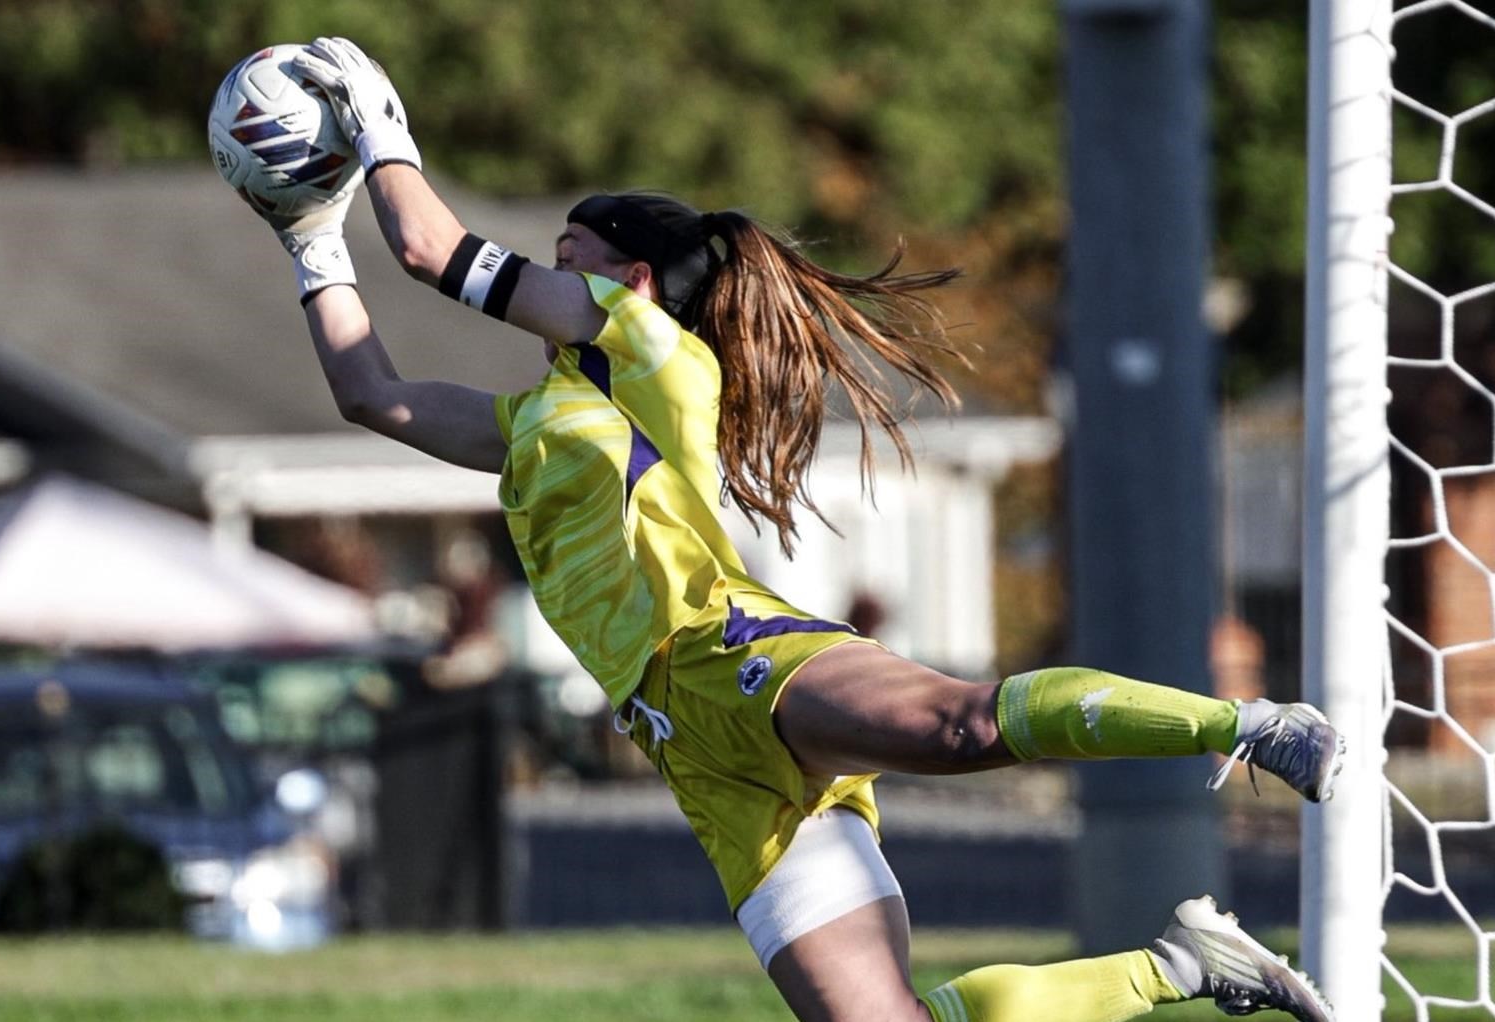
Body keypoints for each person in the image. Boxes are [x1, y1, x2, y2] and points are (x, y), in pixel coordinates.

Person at [258, 37, 1344, 1022]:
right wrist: (312, 239)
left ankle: (1246, 724)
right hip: (688, 745)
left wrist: (379, 130)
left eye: (567, 250)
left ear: (632, 280)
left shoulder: (646, 348)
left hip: (731, 651)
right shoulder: (535, 419)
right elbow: (373, 396)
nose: (549, 272)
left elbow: (428, 248)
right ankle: (1183, 963)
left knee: (955, 729)